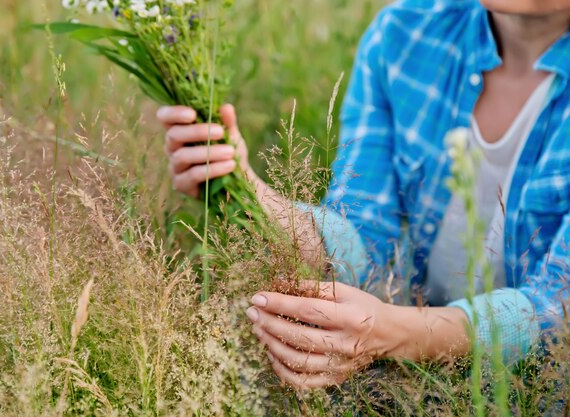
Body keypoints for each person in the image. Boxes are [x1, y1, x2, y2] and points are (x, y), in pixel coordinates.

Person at [157, 0, 570, 389]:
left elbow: (557, 307)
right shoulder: (406, 34)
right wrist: (241, 188)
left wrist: (394, 333)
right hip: (409, 387)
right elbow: (365, 239)